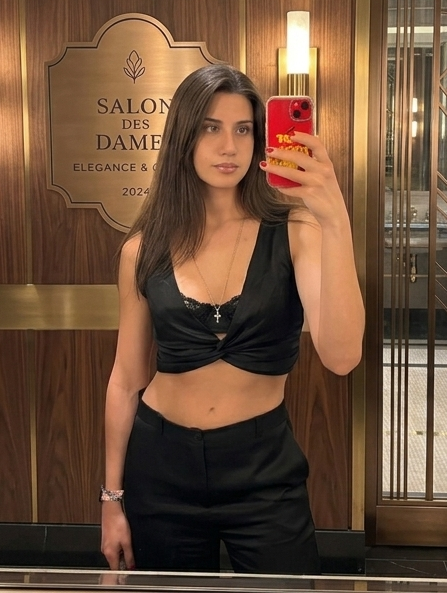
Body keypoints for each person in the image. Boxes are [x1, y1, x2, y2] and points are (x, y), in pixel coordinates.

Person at [99, 64, 363, 575]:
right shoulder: (143, 249)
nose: (229, 146)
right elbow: (126, 380)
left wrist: (335, 220)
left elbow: (342, 356)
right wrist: (112, 500)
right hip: (162, 465)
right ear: (184, 137)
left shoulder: (296, 231)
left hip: (263, 470)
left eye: (243, 129)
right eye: (210, 128)